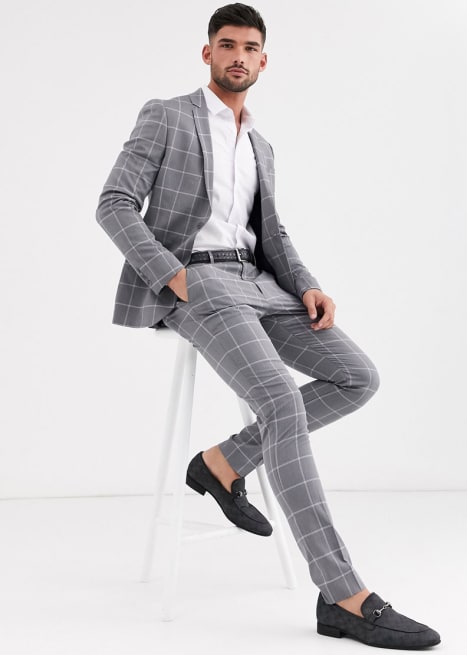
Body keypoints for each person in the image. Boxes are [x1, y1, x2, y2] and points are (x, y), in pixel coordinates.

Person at [96, 3, 441, 649]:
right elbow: (114, 203)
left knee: (357, 376)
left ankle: (224, 461)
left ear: (263, 60)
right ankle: (342, 594)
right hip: (199, 282)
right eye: (227, 45)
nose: (238, 56)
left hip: (261, 284)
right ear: (207, 53)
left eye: (250, 48)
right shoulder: (166, 115)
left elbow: (271, 231)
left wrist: (307, 284)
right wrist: (173, 276)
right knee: (280, 399)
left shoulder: (260, 144)